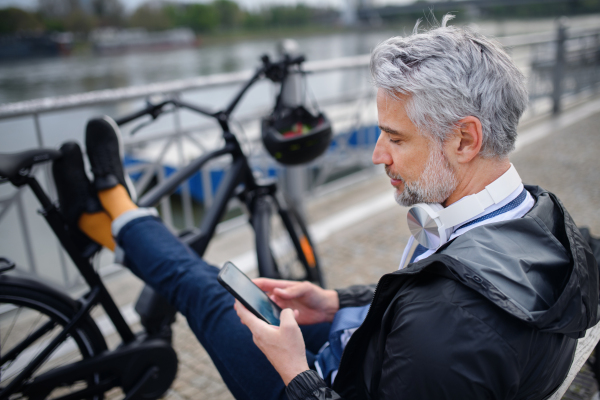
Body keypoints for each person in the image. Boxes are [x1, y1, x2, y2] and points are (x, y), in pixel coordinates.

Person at [52, 16, 599, 400]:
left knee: (201, 288)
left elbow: (443, 321)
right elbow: (439, 296)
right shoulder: (543, 219)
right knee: (219, 288)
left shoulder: (445, 332)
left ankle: (112, 210)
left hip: (327, 380)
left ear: (464, 140)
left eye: (396, 138)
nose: (376, 154)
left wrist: (294, 372)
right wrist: (336, 299)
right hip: (376, 349)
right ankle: (112, 219)